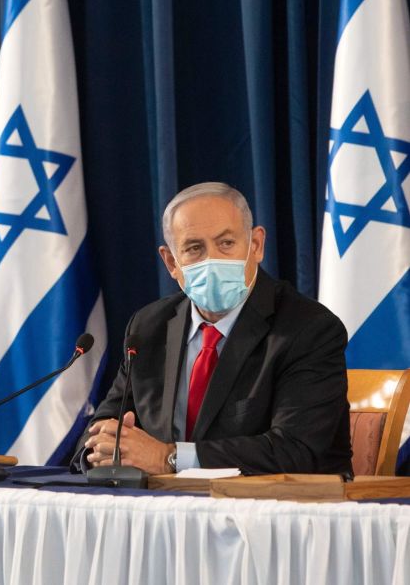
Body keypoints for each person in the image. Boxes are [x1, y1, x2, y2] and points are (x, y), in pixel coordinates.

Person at [79, 182, 352, 476]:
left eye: (226, 243)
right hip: (165, 511)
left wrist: (168, 458)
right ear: (171, 262)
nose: (212, 260)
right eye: (195, 248)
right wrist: (103, 450)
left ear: (256, 245)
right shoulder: (149, 327)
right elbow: (105, 424)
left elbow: (296, 449)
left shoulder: (308, 329)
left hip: (277, 511)